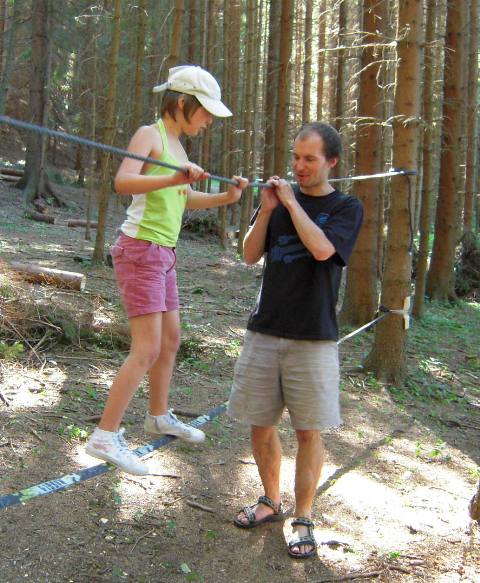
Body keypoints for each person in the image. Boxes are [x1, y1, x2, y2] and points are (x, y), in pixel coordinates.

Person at [85, 65, 248, 475]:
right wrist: (172, 177)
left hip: (164, 254)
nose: (208, 121)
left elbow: (183, 196)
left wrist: (226, 198)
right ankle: (104, 435)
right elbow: (123, 182)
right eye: (205, 111)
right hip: (140, 249)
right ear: (182, 102)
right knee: (146, 349)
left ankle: (158, 415)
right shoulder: (150, 135)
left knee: (171, 340)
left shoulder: (178, 146)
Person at [227, 122, 363, 559]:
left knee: (308, 431)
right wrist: (268, 210)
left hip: (313, 338)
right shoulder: (278, 203)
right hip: (264, 330)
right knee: (260, 424)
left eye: (309, 159)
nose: (299, 166)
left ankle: (303, 517)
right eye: (296, 157)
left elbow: (323, 250)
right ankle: (270, 500)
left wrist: (291, 202)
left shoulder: (346, 207)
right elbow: (250, 255)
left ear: (331, 162)